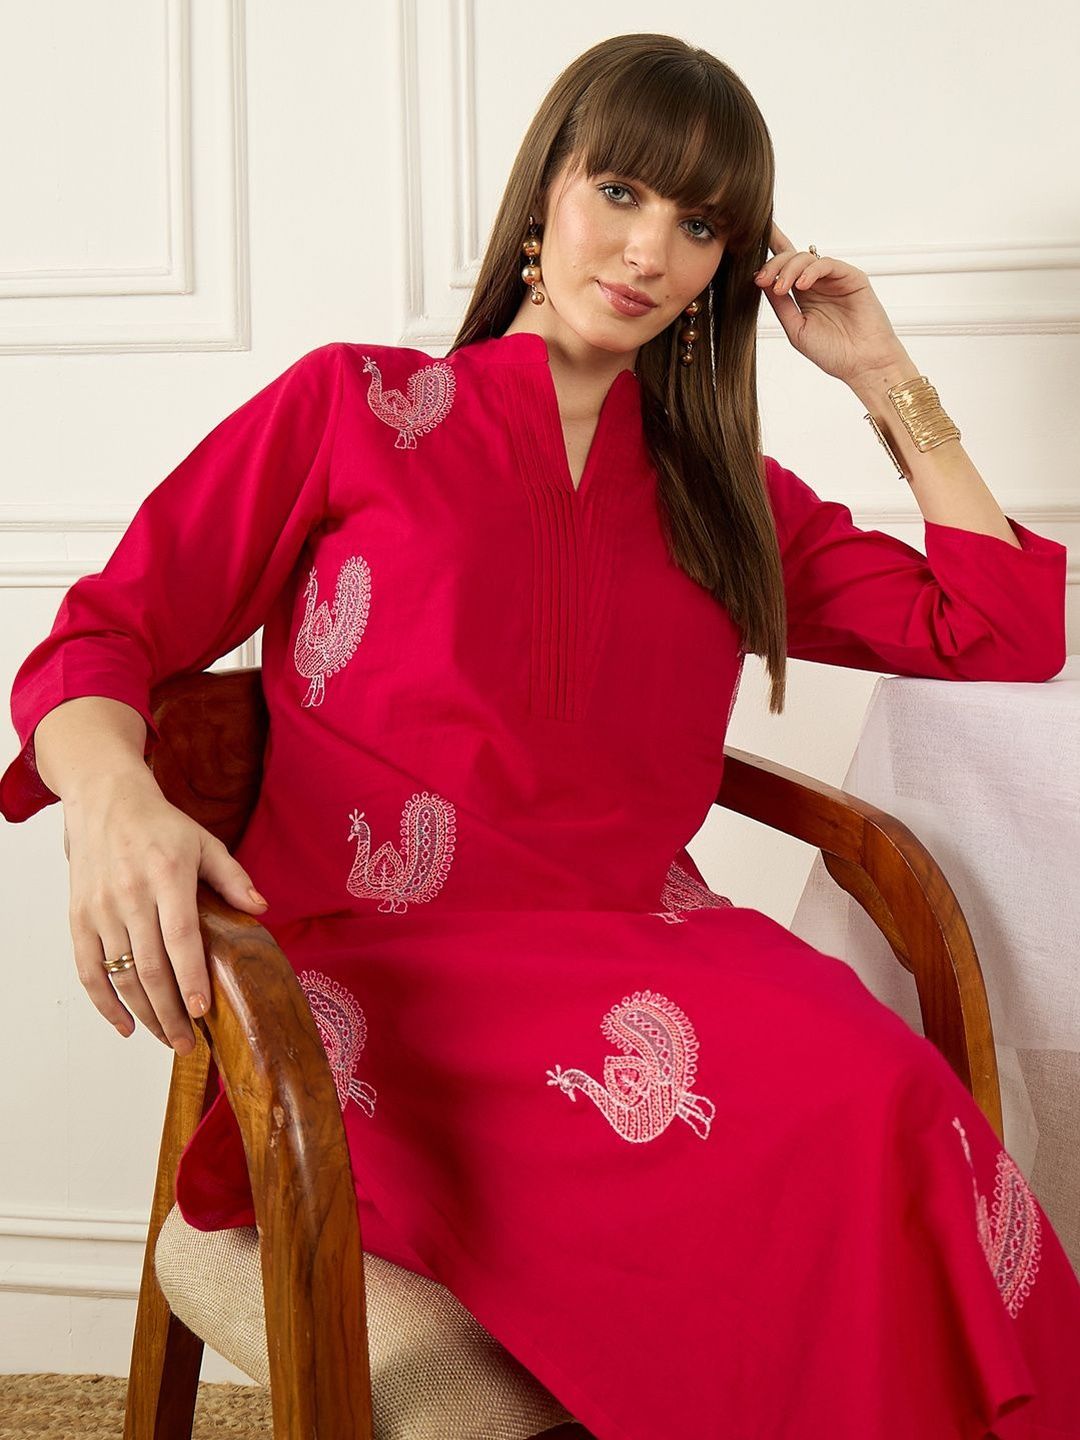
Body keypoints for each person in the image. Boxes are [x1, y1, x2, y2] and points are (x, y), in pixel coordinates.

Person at [2, 30, 1077, 1440]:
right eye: (620, 192)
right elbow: (101, 636)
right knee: (798, 1133)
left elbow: (1000, 625)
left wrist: (882, 374)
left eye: (701, 226)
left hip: (659, 950)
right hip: (391, 984)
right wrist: (113, 799)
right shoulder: (351, 408)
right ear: (544, 192)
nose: (648, 251)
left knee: (885, 1097)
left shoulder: (727, 497)